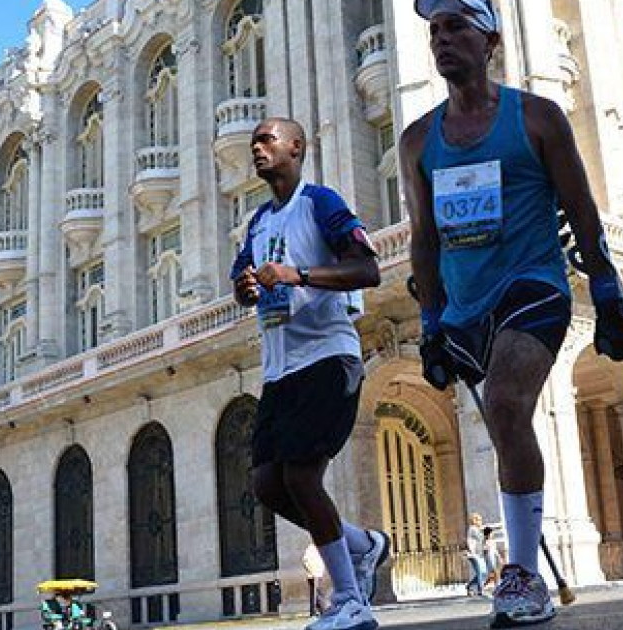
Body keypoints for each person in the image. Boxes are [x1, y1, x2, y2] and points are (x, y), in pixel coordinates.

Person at [402, 0, 623, 625]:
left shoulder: (537, 117)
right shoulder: (418, 139)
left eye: (456, 26)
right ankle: (523, 560)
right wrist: (430, 324)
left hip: (533, 286)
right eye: (434, 31)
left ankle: (523, 574)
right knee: (503, 425)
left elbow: (581, 208)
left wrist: (608, 290)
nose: (442, 40)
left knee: (507, 403)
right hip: (462, 305)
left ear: (491, 38)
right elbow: (422, 238)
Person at [230, 117, 389, 630]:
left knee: (301, 474)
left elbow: (367, 268)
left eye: (267, 139)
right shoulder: (257, 222)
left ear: (296, 147)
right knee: (267, 485)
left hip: (328, 355)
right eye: (254, 142)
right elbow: (241, 279)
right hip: (279, 368)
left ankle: (349, 600)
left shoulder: (320, 202)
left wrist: (298, 274)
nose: (257, 147)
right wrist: (247, 288)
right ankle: (363, 545)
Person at [304, 543, 334, 616]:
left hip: (317, 573)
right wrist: (312, 571)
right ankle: (316, 610)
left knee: (317, 592)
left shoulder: (317, 548)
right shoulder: (312, 548)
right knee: (316, 593)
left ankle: (318, 610)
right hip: (314, 574)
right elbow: (305, 560)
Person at [465, 513, 487, 597]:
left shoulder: (477, 529)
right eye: (479, 520)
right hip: (474, 555)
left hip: (479, 554)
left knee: (483, 572)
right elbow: (481, 538)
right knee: (480, 572)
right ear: (474, 521)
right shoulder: (473, 529)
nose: (480, 521)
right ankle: (480, 590)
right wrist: (485, 531)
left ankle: (470, 586)